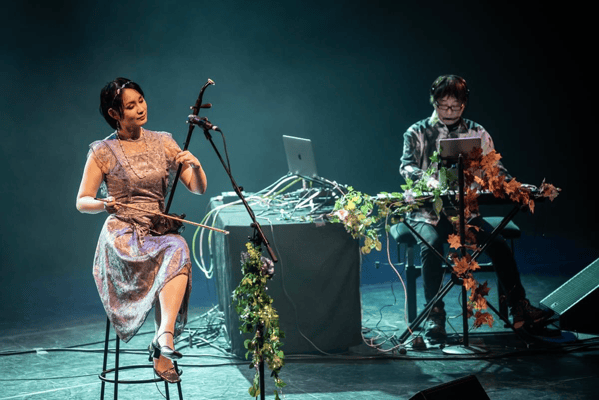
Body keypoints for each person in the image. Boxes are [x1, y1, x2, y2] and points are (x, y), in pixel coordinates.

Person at [395, 74, 553, 341]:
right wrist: (426, 179)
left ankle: (519, 308)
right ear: (433, 101)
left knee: (498, 245)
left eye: (455, 106)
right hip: (428, 213)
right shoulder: (416, 132)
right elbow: (406, 166)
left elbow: (495, 168)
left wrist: (515, 186)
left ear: (464, 104)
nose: (448, 112)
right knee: (431, 246)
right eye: (443, 105)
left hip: (465, 214)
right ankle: (435, 316)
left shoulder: (477, 132)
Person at [76, 78, 207, 383]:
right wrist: (103, 204)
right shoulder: (102, 151)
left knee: (178, 247)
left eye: (141, 101)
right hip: (122, 235)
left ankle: (164, 338)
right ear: (114, 114)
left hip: (156, 231)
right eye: (130, 106)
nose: (140, 109)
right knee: (172, 250)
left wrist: (196, 166)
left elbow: (198, 189)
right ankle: (163, 347)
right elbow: (82, 201)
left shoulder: (163, 142)